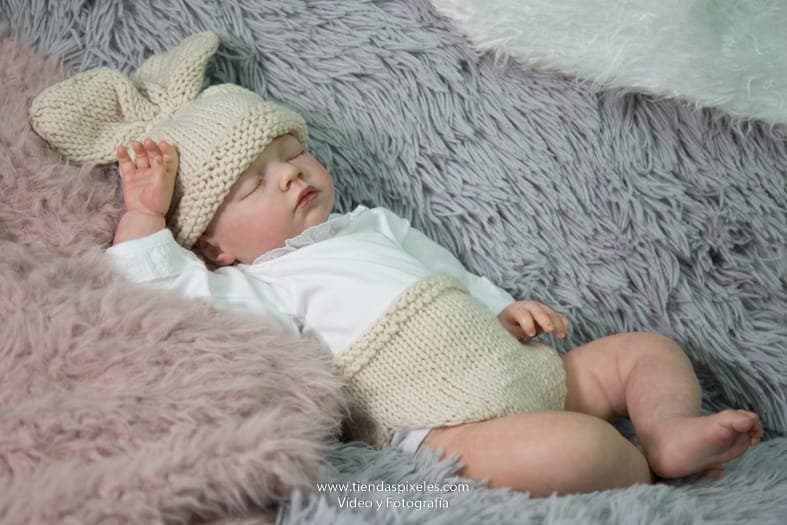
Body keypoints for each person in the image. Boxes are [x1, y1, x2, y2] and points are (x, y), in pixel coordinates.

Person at [30, 32, 763, 498]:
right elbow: (156, 285)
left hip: (523, 367)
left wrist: (502, 306)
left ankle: (667, 431)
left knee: (643, 352)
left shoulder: (371, 223)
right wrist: (146, 211)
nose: (290, 175)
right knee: (578, 449)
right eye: (253, 184)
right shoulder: (254, 285)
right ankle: (631, 469)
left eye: (291, 153)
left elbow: (447, 271)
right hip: (445, 427)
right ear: (214, 246)